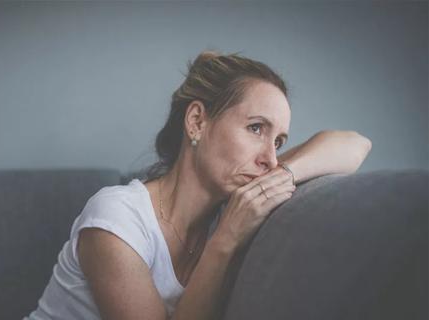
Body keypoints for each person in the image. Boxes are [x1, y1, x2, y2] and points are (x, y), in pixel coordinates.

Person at [24, 50, 372, 320]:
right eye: (255, 128)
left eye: (279, 141)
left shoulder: (247, 187)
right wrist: (225, 240)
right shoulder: (117, 218)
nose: (271, 157)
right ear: (196, 122)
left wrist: (283, 175)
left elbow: (355, 144)